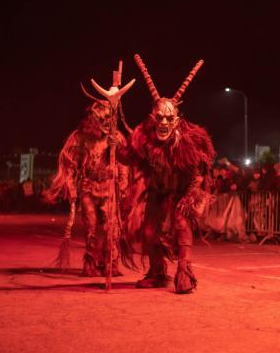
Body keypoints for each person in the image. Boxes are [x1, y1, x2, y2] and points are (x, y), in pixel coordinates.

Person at [125, 55, 215, 294]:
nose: (164, 123)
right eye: (160, 118)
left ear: (177, 119)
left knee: (181, 224)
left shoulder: (188, 142)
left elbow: (198, 172)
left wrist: (190, 196)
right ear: (153, 118)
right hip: (158, 192)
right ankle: (157, 273)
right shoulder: (143, 138)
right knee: (149, 231)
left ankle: (184, 273)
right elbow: (129, 157)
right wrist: (116, 141)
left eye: (169, 118)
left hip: (181, 191)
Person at [44, 99, 130, 276]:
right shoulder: (80, 137)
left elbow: (123, 162)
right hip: (88, 187)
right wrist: (70, 186)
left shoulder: (116, 137)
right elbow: (70, 163)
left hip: (109, 187)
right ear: (93, 118)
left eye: (109, 118)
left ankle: (110, 263)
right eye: (102, 118)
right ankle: (91, 264)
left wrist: (123, 183)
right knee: (90, 227)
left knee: (111, 228)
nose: (105, 122)